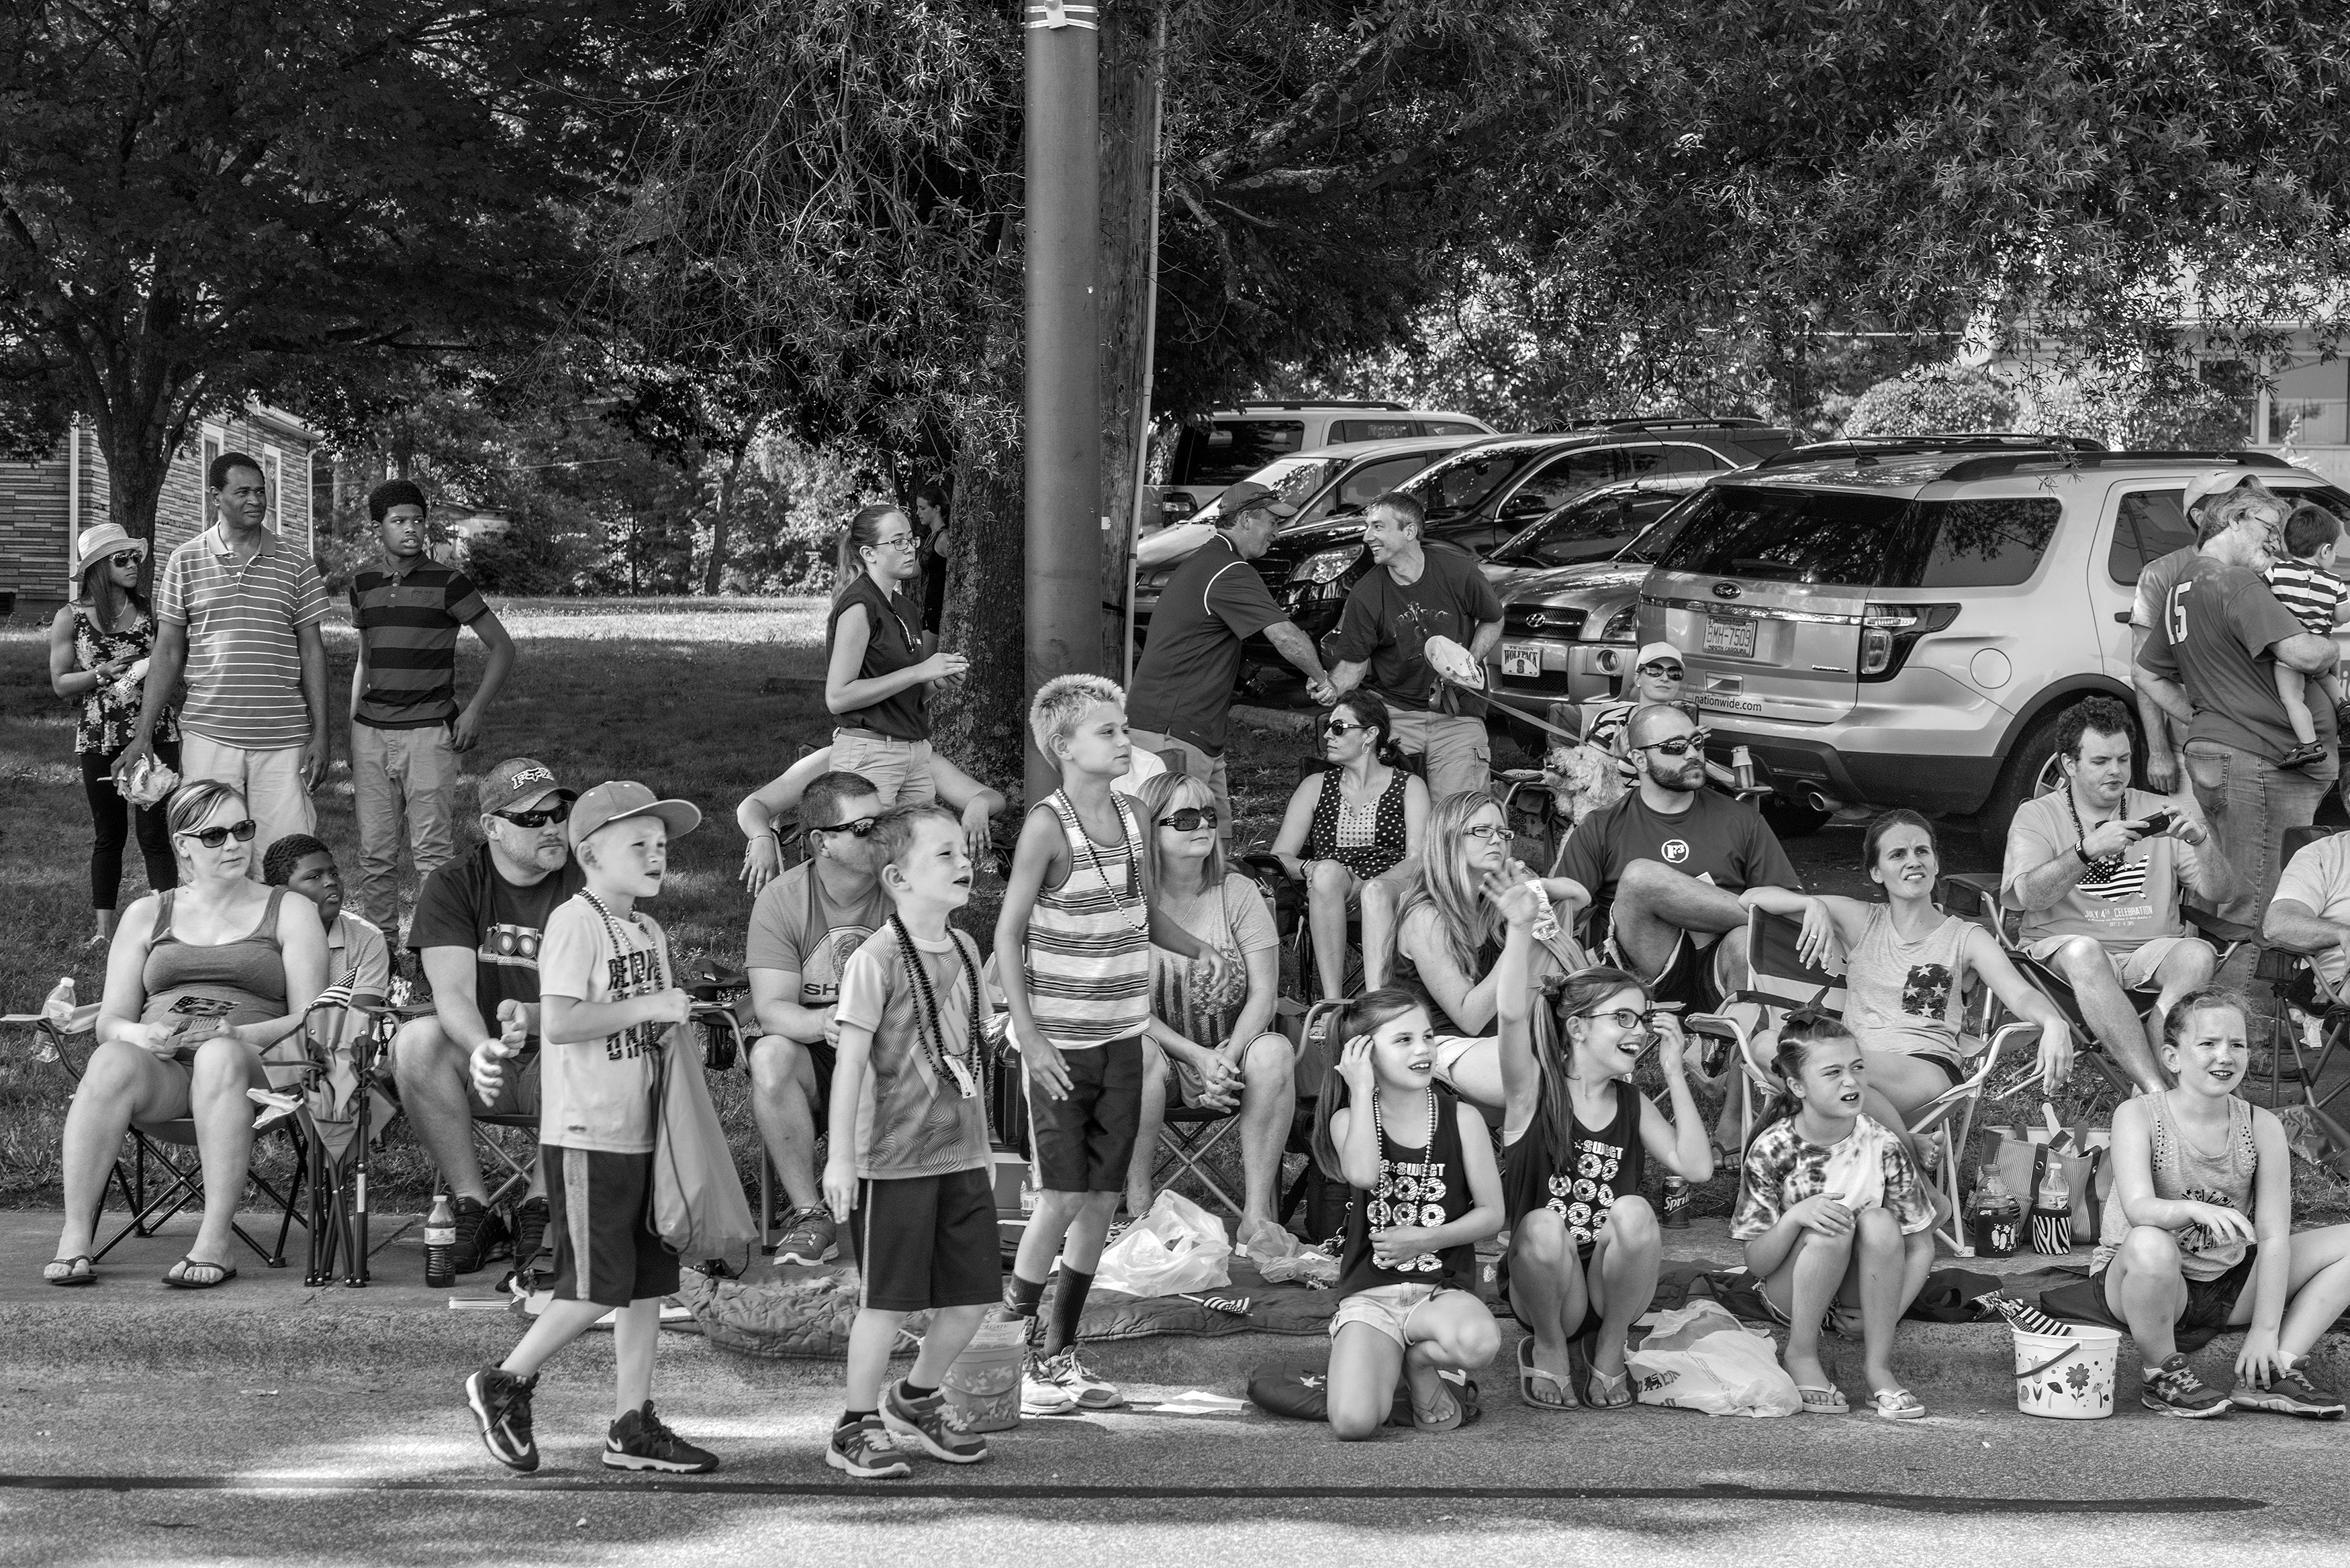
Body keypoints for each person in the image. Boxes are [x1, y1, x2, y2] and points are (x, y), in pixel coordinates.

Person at [463, 779, 718, 1476]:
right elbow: (571, 1018)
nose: (655, 853)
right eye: (637, 842)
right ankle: (504, 1380)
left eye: (661, 844)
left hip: (640, 1129)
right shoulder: (578, 920)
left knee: (644, 1281)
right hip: (588, 1130)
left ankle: (632, 1423)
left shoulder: (646, 927)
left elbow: (585, 1010)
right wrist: (652, 1009)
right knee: (598, 1283)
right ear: (590, 854)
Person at [993, 674, 1229, 1418]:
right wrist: (1027, 1036)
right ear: (1063, 746)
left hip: (1122, 1037)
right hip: (1061, 1044)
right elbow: (1006, 932)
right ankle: (1009, 1347)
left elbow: (1142, 912)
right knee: (1061, 1194)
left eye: (1123, 727)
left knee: (1099, 1197)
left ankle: (1060, 1351)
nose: (1124, 741)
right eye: (1108, 731)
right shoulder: (1046, 825)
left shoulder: (1132, 815)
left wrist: (1199, 950)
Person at [45, 781, 327, 1287]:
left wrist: (240, 1037)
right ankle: (75, 1235)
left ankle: (215, 1240)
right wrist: (141, 1035)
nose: (235, 844)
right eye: (215, 835)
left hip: (256, 1070)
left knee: (219, 1055)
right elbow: (109, 1021)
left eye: (243, 829)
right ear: (182, 845)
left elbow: (315, 1016)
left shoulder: (289, 910)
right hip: (169, 1069)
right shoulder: (147, 914)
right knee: (110, 1060)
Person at [821, 803, 998, 1477]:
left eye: (963, 851)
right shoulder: (875, 959)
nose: (964, 864)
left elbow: (975, 1046)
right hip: (892, 1161)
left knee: (974, 1295)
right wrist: (840, 1156)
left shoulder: (965, 949)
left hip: (961, 1152)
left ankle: (915, 1396)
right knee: (886, 1300)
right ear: (897, 877)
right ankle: (853, 1423)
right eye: (945, 855)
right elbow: (849, 1064)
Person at [2092, 987, 2350, 1418]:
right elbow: (2139, 1208)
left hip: (2229, 1282)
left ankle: (2272, 1371)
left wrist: (2266, 1330)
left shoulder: (2261, 1125)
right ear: (2173, 1058)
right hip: (2148, 1284)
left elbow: (2272, 1236)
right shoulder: (2138, 1115)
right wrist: (2194, 1210)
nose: (2225, 1056)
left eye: (2237, 1044)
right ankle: (2161, 1373)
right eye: (2208, 1044)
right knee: (2150, 1242)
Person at [1763, 811, 2071, 1156]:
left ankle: (1907, 1175)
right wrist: (1811, 903)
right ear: (1876, 872)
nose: (1914, 862)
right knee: (1766, 1046)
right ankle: (1908, 1147)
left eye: (1922, 851)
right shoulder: (1859, 920)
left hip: (1924, 1067)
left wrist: (2053, 1021)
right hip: (1851, 1067)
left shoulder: (1966, 938)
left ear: (1936, 863)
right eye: (1898, 854)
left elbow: (2021, 993)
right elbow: (1753, 900)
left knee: (1824, 1071)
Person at [1493, 934, 1710, 1410]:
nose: (1639, 1031)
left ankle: (1611, 1345)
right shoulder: (1532, 1091)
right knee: (1542, 1224)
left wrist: (1675, 1072)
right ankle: (1550, 1346)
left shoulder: (1630, 1102)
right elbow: (1510, 1015)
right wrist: (1518, 927)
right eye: (1623, 1018)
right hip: (1549, 1286)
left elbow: (1695, 1167)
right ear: (1577, 1029)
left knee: (1635, 1211)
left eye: (1643, 1019)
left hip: (1613, 1288)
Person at [393, 757, 583, 1277]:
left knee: (580, 1040)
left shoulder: (591, 882)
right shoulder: (455, 884)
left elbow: (600, 1001)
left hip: (564, 1059)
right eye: (531, 819)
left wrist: (538, 1022)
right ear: (493, 828)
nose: (551, 827)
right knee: (416, 1042)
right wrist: (482, 1047)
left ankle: (539, 1208)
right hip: (488, 1065)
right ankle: (473, 1208)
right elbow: (451, 991)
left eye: (558, 812)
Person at [2001, 698, 2238, 1093]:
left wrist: (2201, 843)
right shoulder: (2037, 816)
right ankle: (2156, 1090)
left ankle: (2165, 1084)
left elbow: (2223, 892)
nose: (2116, 771)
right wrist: (2086, 850)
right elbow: (2028, 896)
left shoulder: (2160, 810)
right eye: (2100, 761)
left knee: (2197, 953)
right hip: (2063, 951)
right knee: (2086, 952)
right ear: (2069, 764)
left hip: (2150, 950)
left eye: (2123, 760)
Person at [2138, 484, 2339, 927]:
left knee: (2222, 891)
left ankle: (2209, 991)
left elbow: (2146, 673)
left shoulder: (2184, 585)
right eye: (2269, 528)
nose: (2276, 541)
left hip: (2223, 755)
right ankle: (2245, 996)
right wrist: (2330, 653)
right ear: (2233, 520)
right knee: (2262, 902)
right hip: (2261, 761)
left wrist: (2205, 718)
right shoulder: (2233, 581)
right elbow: (2302, 654)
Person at [120, 452, 331, 869]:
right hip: (209, 734)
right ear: (216, 496)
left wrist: (321, 735)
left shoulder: (297, 562)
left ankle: (283, 934)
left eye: (260, 491)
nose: (255, 500)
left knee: (286, 858)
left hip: (285, 739)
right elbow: (167, 651)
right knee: (209, 856)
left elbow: (312, 651)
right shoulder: (186, 561)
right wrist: (143, 734)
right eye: (242, 492)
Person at [1311, 989, 1504, 1439]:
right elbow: (1361, 1173)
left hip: (1437, 1294)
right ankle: (1375, 1354)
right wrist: (1360, 1090)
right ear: (1364, 1055)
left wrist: (1426, 1239)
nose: (1423, 1050)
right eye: (1403, 1041)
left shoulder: (1463, 1120)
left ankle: (1419, 1363)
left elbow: (1493, 1215)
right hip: (1369, 1298)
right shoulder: (1349, 1120)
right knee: (1354, 1424)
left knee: (1481, 1342)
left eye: (1428, 1036)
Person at [1731, 1012, 1936, 1420]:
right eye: (1833, 1072)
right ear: (1797, 1086)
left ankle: (1878, 1366)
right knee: (1831, 1225)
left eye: (1858, 1068)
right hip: (1793, 1291)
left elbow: (1921, 1248)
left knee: (1879, 1222)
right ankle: (1802, 1352)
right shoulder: (1773, 1148)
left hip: (1861, 1299)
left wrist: (1888, 1315)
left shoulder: (1884, 1144)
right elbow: (1756, 1263)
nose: (1851, 1081)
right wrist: (1796, 1218)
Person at [1124, 772, 1297, 1248]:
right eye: (1183, 817)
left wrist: (1225, 1057)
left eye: (1207, 815)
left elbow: (1265, 991)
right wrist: (1193, 1058)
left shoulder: (1237, 892)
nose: (1201, 825)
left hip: (1232, 1057)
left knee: (1275, 1051)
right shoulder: (1130, 902)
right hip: (1160, 1053)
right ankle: (1138, 1209)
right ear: (1149, 831)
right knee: (1134, 1052)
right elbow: (1127, 1004)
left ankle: (1256, 1221)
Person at [1549, 705, 1803, 1018]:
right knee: (1641, 879)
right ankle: (1758, 923)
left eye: (1697, 743)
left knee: (1743, 941)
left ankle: (1732, 1050)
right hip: (1645, 978)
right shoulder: (1601, 825)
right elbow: (1565, 908)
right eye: (1675, 747)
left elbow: (1790, 903)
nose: (1692, 754)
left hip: (1721, 968)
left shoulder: (1741, 819)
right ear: (1640, 759)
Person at [1127, 479, 1341, 844]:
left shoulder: (1210, 561)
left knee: (1216, 846)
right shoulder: (1229, 570)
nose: (1277, 532)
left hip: (1194, 732)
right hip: (1173, 731)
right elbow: (1286, 636)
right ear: (1245, 520)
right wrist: (1323, 680)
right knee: (1179, 849)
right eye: (1272, 522)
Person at [348, 479, 517, 936]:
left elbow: (502, 647)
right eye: (399, 521)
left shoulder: (449, 583)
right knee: (375, 853)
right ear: (377, 527)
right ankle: (379, 950)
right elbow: (366, 658)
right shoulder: (362, 583)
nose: (411, 529)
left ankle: (433, 952)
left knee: (432, 853)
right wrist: (352, 728)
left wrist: (475, 710)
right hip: (370, 734)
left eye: (418, 520)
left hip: (429, 734)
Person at [741, 769, 894, 1268]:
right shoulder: (783, 900)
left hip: (894, 1052)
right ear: (821, 843)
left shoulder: (905, 886)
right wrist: (829, 1021)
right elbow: (771, 1009)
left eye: (885, 821)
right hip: (821, 1051)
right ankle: (811, 1216)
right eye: (864, 827)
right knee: (770, 1056)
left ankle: (913, 1205)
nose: (883, 834)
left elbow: (932, 985)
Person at [1386, 791, 1581, 1101]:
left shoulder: (1494, 906)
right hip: (1433, 1044)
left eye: (1502, 832)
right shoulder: (1426, 917)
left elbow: (1579, 898)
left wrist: (1540, 890)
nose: (1496, 840)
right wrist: (1522, 929)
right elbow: (1470, 1018)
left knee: (1586, 1053)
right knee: (1541, 1068)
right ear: (1448, 839)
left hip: (1498, 1038)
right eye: (1481, 831)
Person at [1326, 490, 1505, 801]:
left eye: (1378, 527)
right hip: (1395, 714)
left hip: (1458, 714)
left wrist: (1468, 661)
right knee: (1396, 815)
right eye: (1367, 527)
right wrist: (1327, 688)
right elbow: (1352, 669)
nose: (1367, 536)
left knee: (1459, 816)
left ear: (1409, 532)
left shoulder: (1459, 572)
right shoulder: (1366, 594)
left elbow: (1493, 619)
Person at [49, 523, 179, 945]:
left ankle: (169, 925)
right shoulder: (70, 617)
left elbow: (170, 664)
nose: (132, 566)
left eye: (134, 558)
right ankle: (103, 931)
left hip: (154, 730)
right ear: (99, 568)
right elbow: (60, 683)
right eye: (121, 559)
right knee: (109, 834)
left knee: (154, 832)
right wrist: (99, 673)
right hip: (98, 735)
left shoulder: (151, 612)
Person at [1268, 691, 1428, 1000]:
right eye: (1328, 726)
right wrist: (1309, 867)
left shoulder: (1409, 786)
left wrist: (1372, 886)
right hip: (1334, 892)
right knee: (1327, 873)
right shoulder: (1316, 785)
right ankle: (1332, 1002)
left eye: (1339, 727)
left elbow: (1418, 858)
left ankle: (1377, 1004)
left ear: (1370, 735)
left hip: (1392, 891)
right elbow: (1279, 856)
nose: (1328, 734)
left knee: (1373, 891)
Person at [2134, 472, 2271, 793]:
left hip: (2264, 747)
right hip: (2197, 750)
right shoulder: (2162, 573)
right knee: (2202, 843)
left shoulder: (2259, 564)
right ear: (2199, 517)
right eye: (2232, 504)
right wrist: (2158, 752)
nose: (2243, 513)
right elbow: (2143, 671)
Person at [825, 503, 968, 807]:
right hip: (869, 757)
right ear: (868, 553)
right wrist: (919, 672)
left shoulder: (906, 609)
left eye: (911, 540)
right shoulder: (859, 606)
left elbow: (902, 696)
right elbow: (838, 697)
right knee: (867, 853)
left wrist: (935, 683)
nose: (909, 549)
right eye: (897, 542)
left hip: (914, 755)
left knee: (915, 853)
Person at [737, 745, 1004, 896]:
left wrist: (978, 803)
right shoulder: (836, 758)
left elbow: (992, 797)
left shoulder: (921, 761)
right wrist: (761, 837)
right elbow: (754, 805)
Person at [263, 834, 393, 1018]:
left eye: (334, 873)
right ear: (281, 891)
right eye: (314, 877)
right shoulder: (260, 937)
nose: (331, 881)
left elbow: (360, 1020)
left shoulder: (366, 938)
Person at [2266, 501, 2350, 770]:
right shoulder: (2334, 582)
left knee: (2293, 698)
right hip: (2321, 646)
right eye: (2335, 551)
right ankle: (2343, 706)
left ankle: (2308, 744)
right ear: (2325, 551)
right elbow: (2341, 618)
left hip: (2291, 651)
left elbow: (2259, 599)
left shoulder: (2275, 572)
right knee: (2326, 675)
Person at [912, 483, 953, 636]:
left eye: (922, 508)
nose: (918, 513)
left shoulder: (944, 538)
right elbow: (914, 571)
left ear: (937, 509)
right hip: (929, 608)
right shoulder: (931, 537)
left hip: (939, 609)